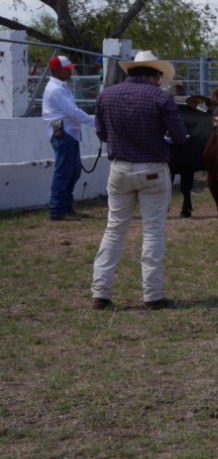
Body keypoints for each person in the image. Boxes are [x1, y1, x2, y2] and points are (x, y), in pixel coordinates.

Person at [90, 50, 188, 310]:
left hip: (119, 168)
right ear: (155, 74)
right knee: (153, 232)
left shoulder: (105, 95)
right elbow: (179, 136)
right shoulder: (161, 98)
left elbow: (101, 133)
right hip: (153, 169)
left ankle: (100, 292)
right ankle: (152, 295)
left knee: (114, 230)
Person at [42, 54, 97, 220]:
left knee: (72, 171)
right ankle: (58, 210)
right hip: (62, 130)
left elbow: (72, 110)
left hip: (67, 130)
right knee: (64, 171)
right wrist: (94, 121)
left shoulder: (61, 85)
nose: (70, 72)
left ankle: (65, 207)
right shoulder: (56, 88)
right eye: (67, 70)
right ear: (57, 70)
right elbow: (72, 111)